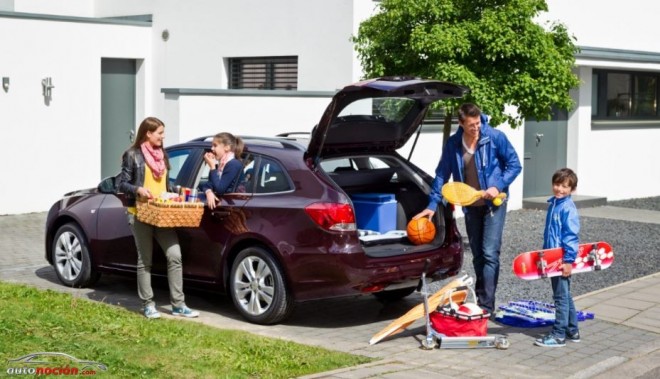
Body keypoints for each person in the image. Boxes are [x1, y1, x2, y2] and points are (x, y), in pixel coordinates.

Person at [414, 103, 521, 314]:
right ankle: (482, 299)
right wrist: (432, 205)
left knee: (490, 253)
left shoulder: (495, 137)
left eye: (478, 122)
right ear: (461, 123)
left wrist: (497, 185)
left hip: (493, 205)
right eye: (471, 124)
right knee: (478, 256)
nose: (476, 128)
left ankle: (486, 305)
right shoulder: (453, 144)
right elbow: (442, 175)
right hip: (471, 207)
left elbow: (514, 164)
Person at [117, 117, 199, 319]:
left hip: (162, 214)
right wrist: (138, 190)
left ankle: (178, 305)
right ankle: (147, 304)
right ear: (148, 133)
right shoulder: (132, 155)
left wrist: (176, 192)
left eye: (163, 133)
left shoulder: (162, 155)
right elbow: (122, 184)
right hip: (141, 213)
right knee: (145, 260)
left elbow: (164, 185)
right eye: (160, 133)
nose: (163, 137)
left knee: (175, 256)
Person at [535, 168, 581, 347]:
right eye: (557, 184)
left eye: (564, 186)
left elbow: (570, 236)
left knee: (560, 297)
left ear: (572, 190)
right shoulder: (555, 203)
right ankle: (572, 330)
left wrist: (568, 261)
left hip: (561, 259)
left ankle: (559, 335)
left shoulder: (567, 208)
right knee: (565, 295)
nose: (559, 189)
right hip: (553, 256)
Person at [200, 132, 244, 209]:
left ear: (227, 147)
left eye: (215, 145)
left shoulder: (233, 164)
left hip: (231, 208)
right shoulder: (221, 165)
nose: (212, 148)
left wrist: (212, 167)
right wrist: (208, 192)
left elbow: (220, 189)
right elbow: (208, 184)